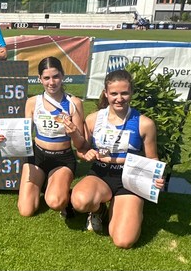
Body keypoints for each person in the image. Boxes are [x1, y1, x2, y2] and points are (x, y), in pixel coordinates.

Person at [70, 69, 164, 249]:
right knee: (80, 201)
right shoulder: (93, 119)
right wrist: (86, 154)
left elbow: (152, 158)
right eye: (114, 93)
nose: (119, 98)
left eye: (124, 93)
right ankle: (99, 211)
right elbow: (82, 149)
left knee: (123, 241)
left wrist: (157, 177)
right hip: (101, 173)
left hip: (131, 177)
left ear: (131, 93)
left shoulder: (145, 123)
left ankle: (130, 209)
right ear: (106, 93)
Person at [0, 56, 87, 218]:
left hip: (62, 159)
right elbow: (24, 133)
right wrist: (7, 138)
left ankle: (63, 193)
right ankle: (49, 183)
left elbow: (81, 145)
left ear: (63, 76)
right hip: (37, 157)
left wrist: (73, 132)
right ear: (40, 79)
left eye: (56, 76)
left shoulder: (74, 103)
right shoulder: (32, 102)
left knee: (55, 202)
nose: (52, 82)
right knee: (26, 210)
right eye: (46, 78)